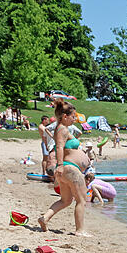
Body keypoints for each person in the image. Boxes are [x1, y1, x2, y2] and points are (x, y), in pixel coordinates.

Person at [38, 100, 90, 236]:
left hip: (66, 169)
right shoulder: (62, 129)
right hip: (69, 168)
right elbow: (59, 147)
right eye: (73, 116)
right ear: (65, 117)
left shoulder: (62, 129)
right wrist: (60, 165)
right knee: (81, 200)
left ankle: (45, 218)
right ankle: (80, 230)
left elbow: (68, 142)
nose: (75, 119)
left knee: (65, 200)